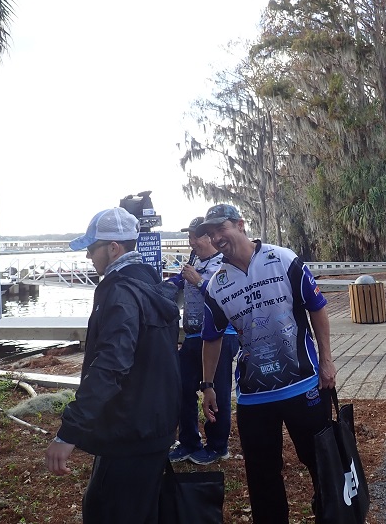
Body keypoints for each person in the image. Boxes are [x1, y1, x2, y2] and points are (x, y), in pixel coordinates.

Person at [196, 204, 337, 524]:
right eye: (211, 233)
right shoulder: (217, 284)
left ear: (240, 224)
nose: (216, 238)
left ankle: (333, 516)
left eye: (221, 229)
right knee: (262, 477)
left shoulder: (283, 259)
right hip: (254, 396)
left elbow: (317, 307)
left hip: (302, 384)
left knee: (322, 463)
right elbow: (212, 337)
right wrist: (208, 386)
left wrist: (326, 361)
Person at [45, 207, 181, 523]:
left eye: (92, 249)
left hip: (129, 431)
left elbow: (111, 365)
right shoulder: (150, 283)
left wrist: (68, 433)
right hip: (153, 425)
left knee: (105, 511)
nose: (88, 257)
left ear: (113, 248)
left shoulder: (120, 291)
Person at [165, 216, 239, 465]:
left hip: (221, 336)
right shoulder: (194, 260)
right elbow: (178, 282)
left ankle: (217, 446)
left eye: (195, 236)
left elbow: (226, 297)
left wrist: (198, 281)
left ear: (209, 237)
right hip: (193, 336)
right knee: (182, 387)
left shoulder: (225, 264)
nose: (191, 242)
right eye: (189, 236)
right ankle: (188, 442)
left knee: (216, 391)